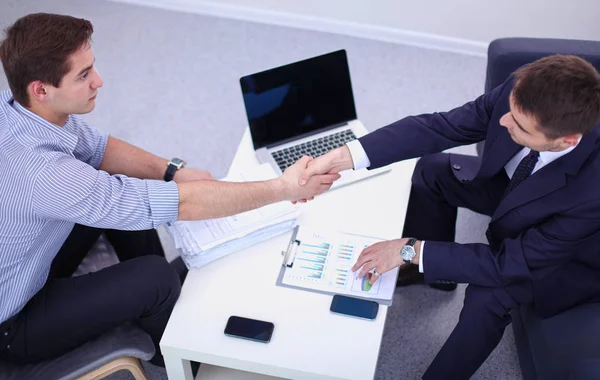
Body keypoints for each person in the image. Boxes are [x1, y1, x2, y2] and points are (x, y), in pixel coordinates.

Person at [0, 13, 339, 367]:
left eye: (92, 68)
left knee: (123, 189)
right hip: (14, 322)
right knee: (156, 278)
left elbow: (99, 149)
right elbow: (178, 205)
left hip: (26, 252)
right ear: (40, 89)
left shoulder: (17, 105)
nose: (98, 81)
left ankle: (162, 308)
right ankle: (182, 359)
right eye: (83, 75)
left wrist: (174, 172)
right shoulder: (45, 172)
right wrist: (281, 188)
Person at [299, 54, 600, 379]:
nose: (503, 122)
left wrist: (410, 249)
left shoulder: (592, 192)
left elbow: (507, 263)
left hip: (563, 258)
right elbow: (442, 126)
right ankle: (434, 277)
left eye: (520, 125)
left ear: (566, 141)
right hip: (515, 191)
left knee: (488, 298)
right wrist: (346, 156)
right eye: (510, 110)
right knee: (432, 170)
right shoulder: (522, 91)